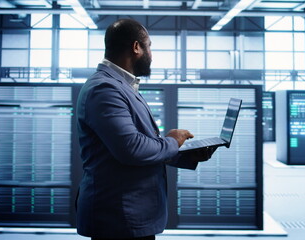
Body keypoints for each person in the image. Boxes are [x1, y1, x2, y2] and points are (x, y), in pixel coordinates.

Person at [76, 18, 216, 240]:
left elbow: (142, 144)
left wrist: (184, 154)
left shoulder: (122, 86)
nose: (151, 53)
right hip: (118, 218)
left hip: (129, 216)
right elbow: (131, 148)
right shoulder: (105, 89)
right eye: (149, 46)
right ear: (136, 47)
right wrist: (172, 141)